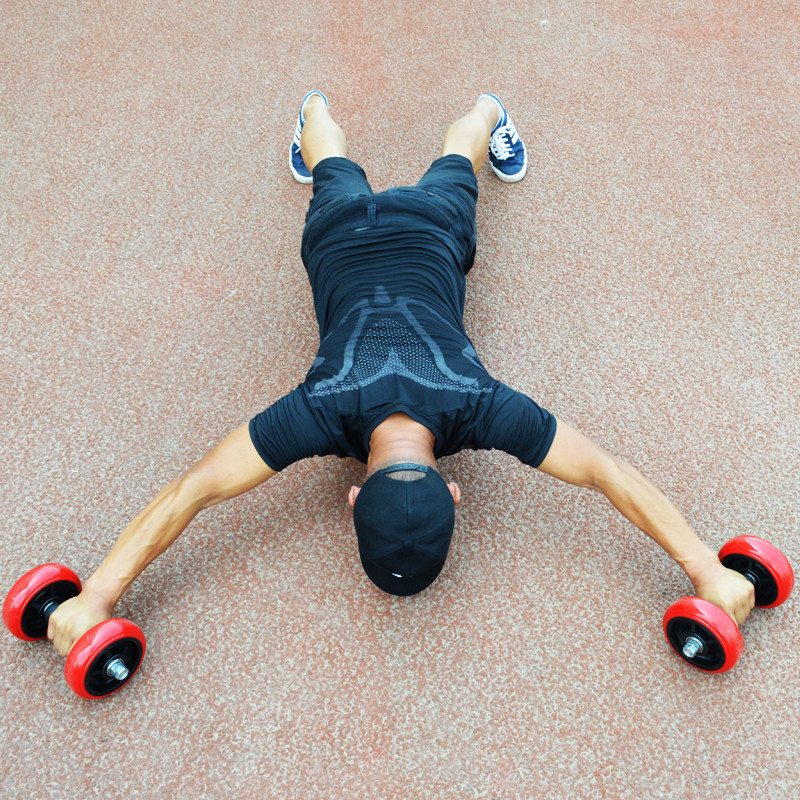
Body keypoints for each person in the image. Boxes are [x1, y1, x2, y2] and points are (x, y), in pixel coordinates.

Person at [47, 91, 755, 657]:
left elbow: (605, 472)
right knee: (343, 173)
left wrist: (705, 568)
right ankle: (409, 112)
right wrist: (98, 595)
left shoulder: (480, 405)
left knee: (448, 158)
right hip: (338, 234)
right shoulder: (316, 412)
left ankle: (413, 110)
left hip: (428, 227)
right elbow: (193, 491)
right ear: (357, 499)